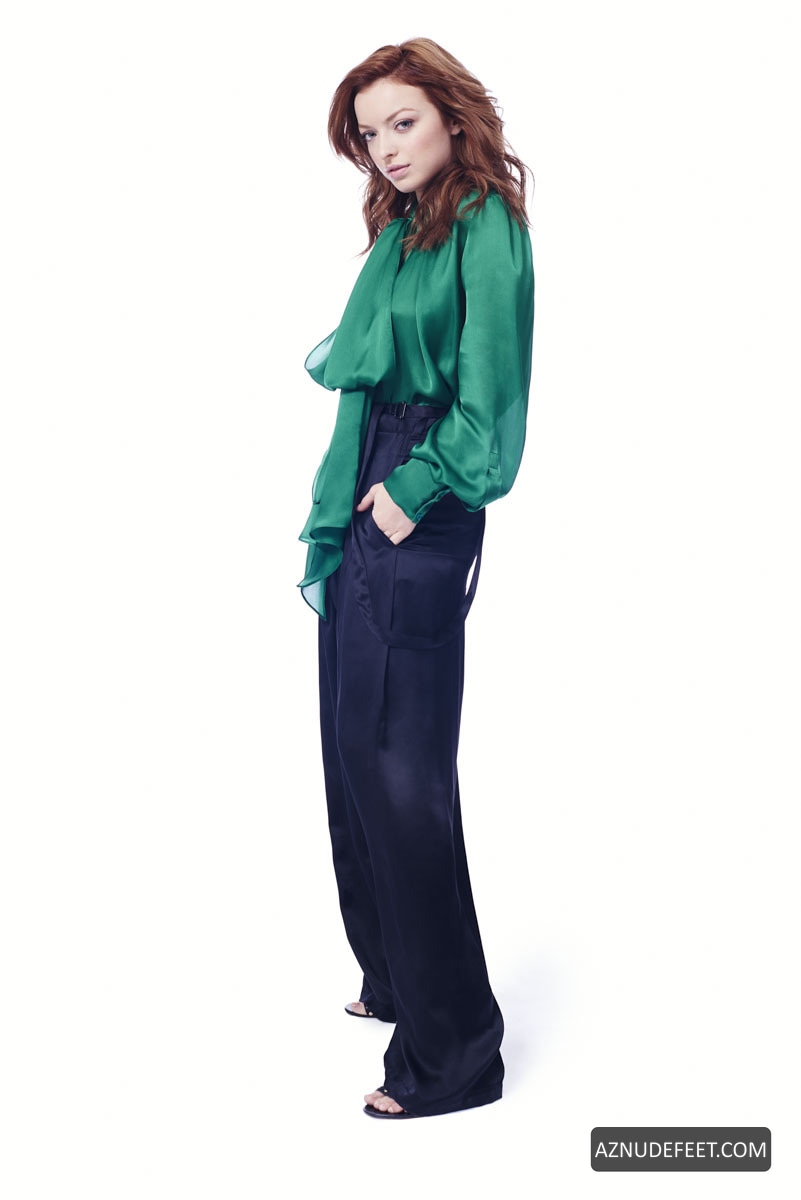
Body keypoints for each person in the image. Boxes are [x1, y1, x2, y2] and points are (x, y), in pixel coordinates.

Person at [297, 37, 534, 1119]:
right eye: (369, 132)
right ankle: (394, 973)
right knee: (353, 751)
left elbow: (493, 407)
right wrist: (350, 497)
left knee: (400, 769)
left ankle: (456, 1052)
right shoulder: (404, 224)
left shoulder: (485, 222)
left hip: (423, 491)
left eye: (403, 121)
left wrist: (412, 489)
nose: (386, 147)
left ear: (449, 114)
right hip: (368, 485)